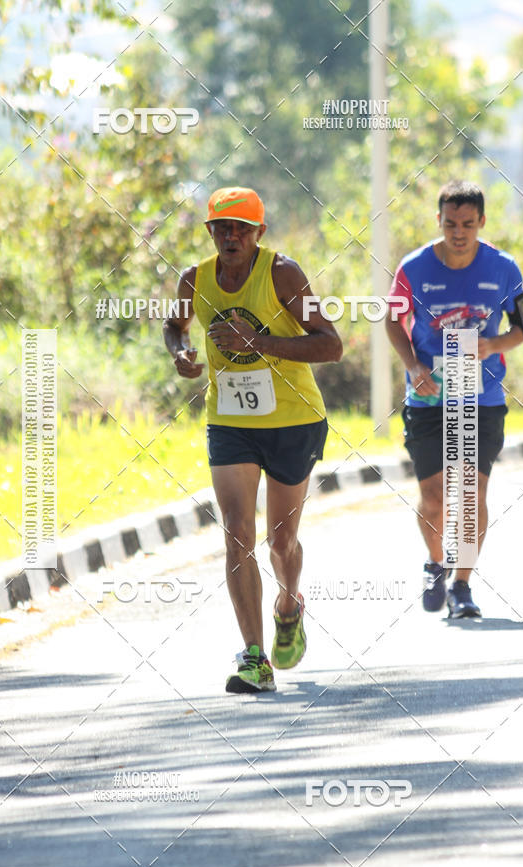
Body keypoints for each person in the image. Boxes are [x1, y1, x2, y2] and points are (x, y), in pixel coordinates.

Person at [164, 186, 342, 692]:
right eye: (223, 227)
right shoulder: (194, 280)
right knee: (238, 533)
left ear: (259, 233)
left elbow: (331, 346)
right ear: (210, 232)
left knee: (279, 541)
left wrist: (257, 341)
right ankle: (254, 659)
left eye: (243, 227)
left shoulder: (282, 273)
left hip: (293, 420)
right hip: (230, 422)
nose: (232, 236)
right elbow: (174, 325)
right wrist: (180, 353)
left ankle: (289, 604)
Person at [386, 180, 523, 618]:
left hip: (482, 398)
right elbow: (393, 321)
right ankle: (436, 564)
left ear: (481, 223)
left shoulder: (504, 267)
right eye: (450, 223)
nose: (458, 232)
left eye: (468, 224)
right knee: (434, 497)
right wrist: (414, 367)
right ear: (439, 221)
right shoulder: (413, 267)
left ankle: (462, 586)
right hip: (429, 399)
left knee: (470, 492)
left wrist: (495, 345)